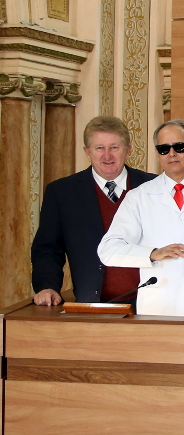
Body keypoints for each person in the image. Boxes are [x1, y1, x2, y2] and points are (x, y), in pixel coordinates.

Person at [97, 120, 184, 316]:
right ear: (157, 154)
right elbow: (108, 250)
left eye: (179, 147)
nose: (172, 154)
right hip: (159, 306)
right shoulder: (139, 197)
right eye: (163, 149)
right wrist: (152, 253)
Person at [31, 116, 156, 305]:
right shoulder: (62, 192)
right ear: (87, 151)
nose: (107, 156)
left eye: (114, 147)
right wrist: (47, 286)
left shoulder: (154, 186)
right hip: (92, 303)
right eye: (99, 148)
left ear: (128, 149)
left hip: (152, 303)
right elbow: (48, 248)